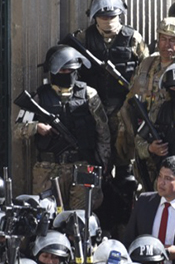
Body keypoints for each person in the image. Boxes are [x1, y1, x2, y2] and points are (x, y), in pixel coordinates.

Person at [14, 45, 112, 211]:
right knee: (47, 217)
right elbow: (17, 131)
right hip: (48, 170)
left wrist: (103, 164)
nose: (66, 75)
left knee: (79, 218)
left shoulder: (89, 95)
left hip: (81, 166)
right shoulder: (38, 97)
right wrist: (36, 127)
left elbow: (103, 133)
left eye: (70, 71)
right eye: (62, 72)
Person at [66, 0, 148, 119]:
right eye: (104, 17)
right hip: (92, 104)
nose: (108, 20)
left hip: (124, 104)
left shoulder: (133, 37)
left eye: (112, 17)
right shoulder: (83, 38)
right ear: (94, 17)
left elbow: (146, 66)